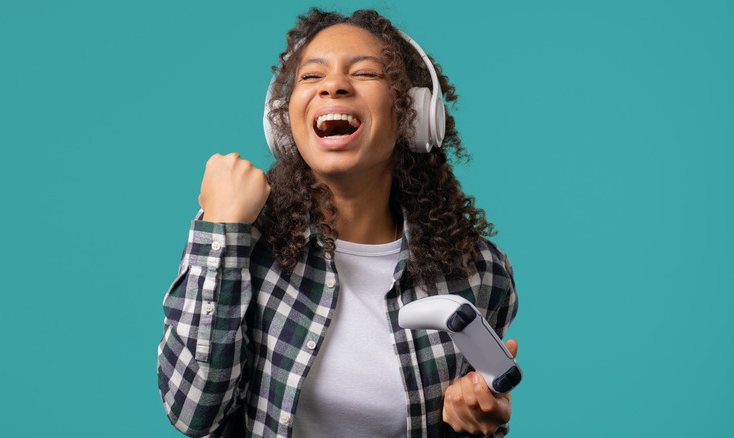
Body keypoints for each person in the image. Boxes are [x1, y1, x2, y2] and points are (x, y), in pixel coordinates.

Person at [157, 8, 519, 438]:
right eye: (311, 76)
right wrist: (221, 228)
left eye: (365, 73)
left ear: (415, 115)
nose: (333, 85)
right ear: (282, 119)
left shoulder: (478, 270)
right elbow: (194, 412)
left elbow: (480, 414)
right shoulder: (242, 236)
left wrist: (476, 419)